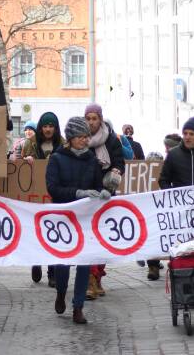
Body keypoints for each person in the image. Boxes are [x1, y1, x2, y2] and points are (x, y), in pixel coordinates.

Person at [46, 116, 111, 324]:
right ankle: (61, 292)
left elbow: (98, 184)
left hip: (85, 219)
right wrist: (78, 193)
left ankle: (78, 306)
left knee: (84, 263)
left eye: (87, 137)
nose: (85, 140)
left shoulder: (92, 160)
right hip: (63, 217)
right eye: (81, 137)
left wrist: (104, 192)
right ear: (71, 138)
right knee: (63, 263)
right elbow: (53, 189)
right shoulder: (56, 159)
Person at [148, 118, 194, 280]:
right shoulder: (173, 155)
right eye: (185, 133)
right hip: (180, 213)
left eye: (191, 134)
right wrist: (173, 196)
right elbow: (163, 180)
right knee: (182, 247)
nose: (187, 137)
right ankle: (181, 277)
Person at [84, 103, 125, 299]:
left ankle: (98, 275)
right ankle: (90, 278)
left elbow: (119, 162)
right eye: (88, 118)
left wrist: (116, 171)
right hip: (88, 195)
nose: (91, 122)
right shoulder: (80, 139)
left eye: (94, 118)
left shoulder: (111, 140)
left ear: (100, 119)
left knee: (104, 236)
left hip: (107, 194)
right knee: (89, 237)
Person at [22, 112, 65, 287]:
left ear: (55, 128)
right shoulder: (30, 143)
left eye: (51, 126)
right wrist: (27, 160)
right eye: (45, 126)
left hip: (54, 196)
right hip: (36, 197)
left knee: (53, 233)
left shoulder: (63, 144)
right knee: (36, 231)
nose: (47, 129)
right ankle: (35, 260)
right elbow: (19, 165)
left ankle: (52, 272)